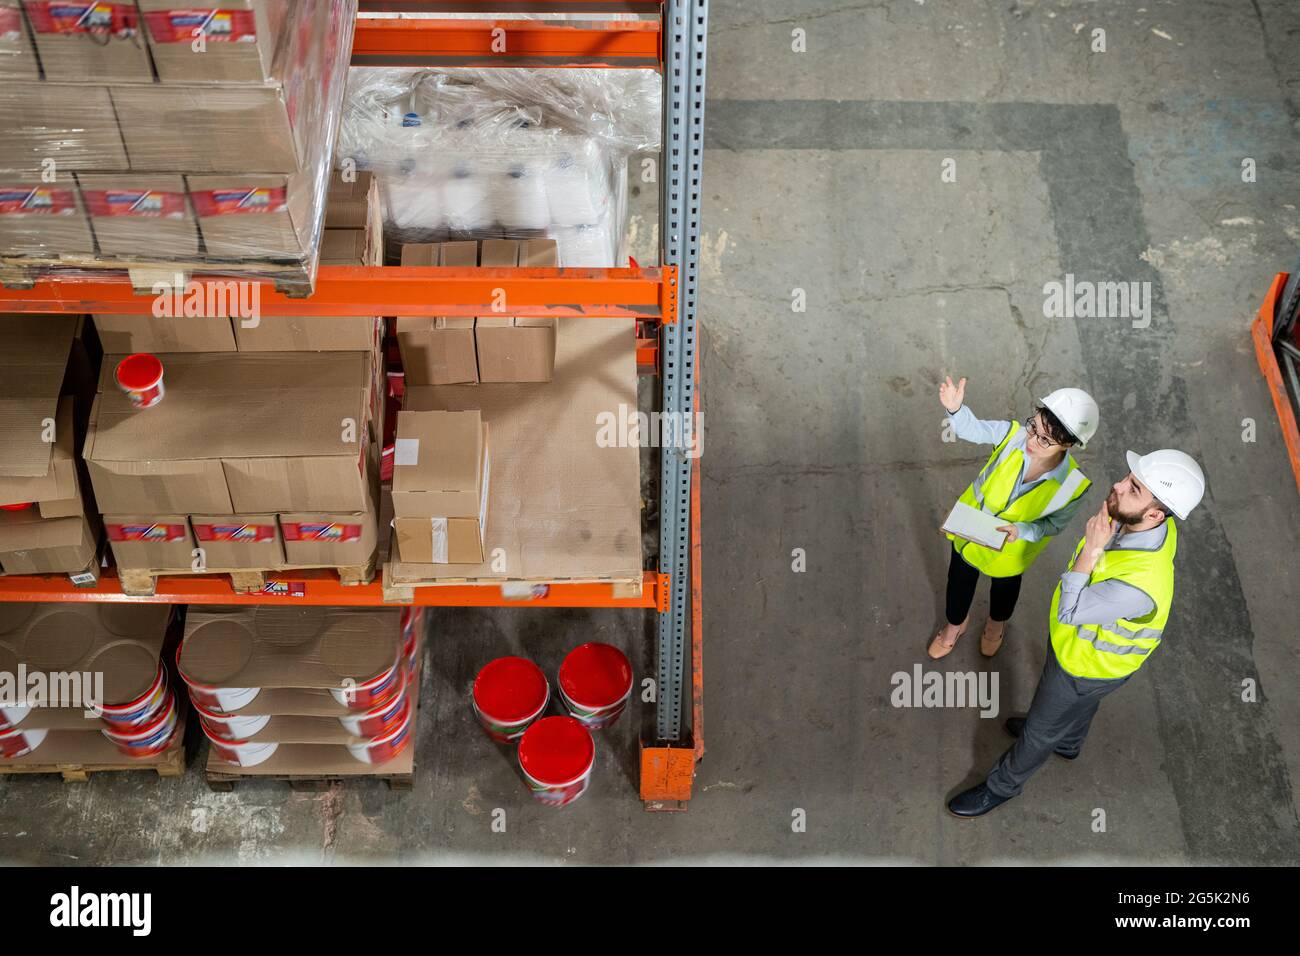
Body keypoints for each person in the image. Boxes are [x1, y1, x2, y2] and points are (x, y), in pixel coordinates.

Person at [947, 448, 1206, 817]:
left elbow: (1070, 612)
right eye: (1129, 478)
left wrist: (1091, 551)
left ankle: (1001, 787)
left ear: (1154, 512)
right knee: (1076, 708)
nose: (1117, 485)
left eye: (1133, 488)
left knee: (1038, 732)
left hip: (1084, 666)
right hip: (1091, 660)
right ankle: (1068, 741)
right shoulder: (1151, 525)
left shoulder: (1140, 586)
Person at [931, 377, 1099, 659]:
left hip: (1011, 550)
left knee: (1004, 592)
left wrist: (1021, 530)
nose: (1032, 439)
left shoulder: (1073, 485)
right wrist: (956, 411)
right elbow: (977, 429)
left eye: (1045, 439)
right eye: (1034, 426)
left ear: (1068, 444)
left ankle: (995, 628)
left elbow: (1053, 525)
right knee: (959, 582)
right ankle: (954, 627)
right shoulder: (1014, 435)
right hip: (969, 531)